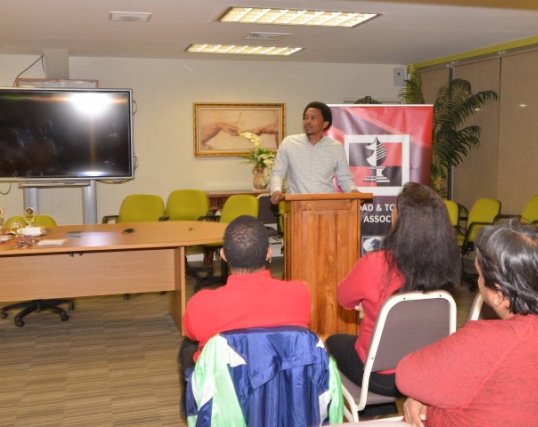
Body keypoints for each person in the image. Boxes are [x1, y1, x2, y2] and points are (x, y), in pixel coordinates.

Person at [396, 220, 538, 427]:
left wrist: (426, 401)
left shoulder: (483, 342)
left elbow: (406, 375)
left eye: (479, 275)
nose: (478, 282)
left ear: (498, 295)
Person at [325, 182, 461, 398]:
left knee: (332, 341)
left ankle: (364, 412)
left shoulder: (376, 263)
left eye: (395, 207)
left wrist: (366, 304)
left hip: (378, 376)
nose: (391, 211)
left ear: (402, 220)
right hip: (425, 372)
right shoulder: (445, 266)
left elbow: (344, 298)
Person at [179, 215, 311, 371]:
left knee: (187, 348)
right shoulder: (300, 294)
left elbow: (191, 333)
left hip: (225, 391)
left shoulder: (200, 305)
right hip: (282, 390)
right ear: (269, 253)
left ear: (223, 255)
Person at [269, 101, 357, 204]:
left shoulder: (336, 147)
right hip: (296, 207)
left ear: (325, 124)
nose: (308, 121)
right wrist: (276, 190)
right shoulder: (289, 143)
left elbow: (344, 178)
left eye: (313, 118)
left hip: (325, 207)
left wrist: (353, 191)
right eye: (306, 117)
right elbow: (278, 172)